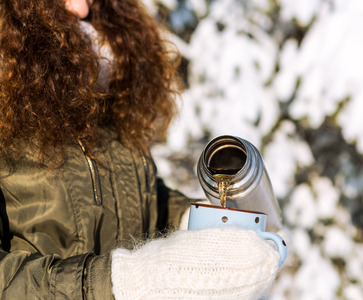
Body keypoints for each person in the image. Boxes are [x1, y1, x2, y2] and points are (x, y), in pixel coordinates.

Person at [0, 0, 281, 299]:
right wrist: (124, 281)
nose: (82, 8)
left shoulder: (95, 93)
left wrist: (193, 222)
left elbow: (139, 203)